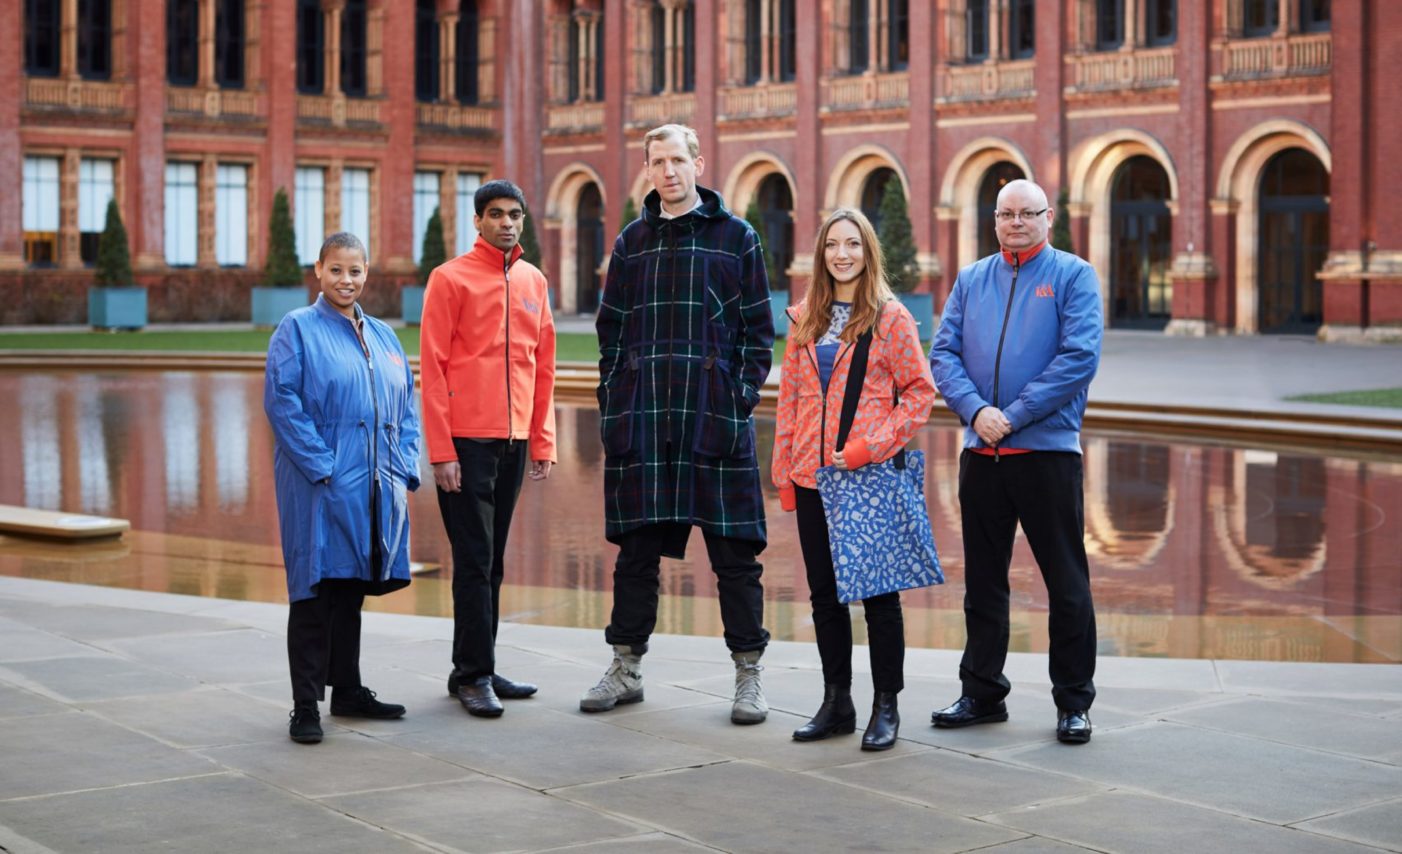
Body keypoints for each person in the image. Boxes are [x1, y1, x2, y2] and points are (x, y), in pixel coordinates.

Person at [583, 123, 775, 725]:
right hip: (644, 417)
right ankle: (626, 668)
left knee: (735, 559)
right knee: (635, 555)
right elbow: (610, 332)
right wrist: (615, 397)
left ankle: (749, 674)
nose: (668, 171)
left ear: (698, 164)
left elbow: (758, 334)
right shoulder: (631, 242)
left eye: (677, 160)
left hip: (713, 415)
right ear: (647, 169)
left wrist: (738, 397)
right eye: (657, 162)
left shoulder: (737, 238)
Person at [927, 179, 1102, 745]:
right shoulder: (972, 278)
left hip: (1047, 455)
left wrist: (1014, 414)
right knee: (983, 583)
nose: (1017, 222)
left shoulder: (1073, 275)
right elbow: (943, 353)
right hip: (983, 454)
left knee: (1066, 583)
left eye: (1028, 213)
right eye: (1007, 214)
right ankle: (981, 692)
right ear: (995, 220)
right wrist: (977, 411)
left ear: (1048, 218)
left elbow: (1079, 358)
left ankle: (1073, 702)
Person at [772, 209, 936, 751]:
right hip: (811, 477)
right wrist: (784, 471)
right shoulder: (804, 318)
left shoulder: (891, 317)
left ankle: (886, 705)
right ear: (820, 254)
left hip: (867, 479)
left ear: (868, 252)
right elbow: (790, 398)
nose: (841, 255)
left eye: (852, 245)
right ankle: (836, 701)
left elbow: (919, 394)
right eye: (832, 245)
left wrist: (871, 446)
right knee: (825, 597)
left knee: (879, 597)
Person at [264, 232, 421, 745]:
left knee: (351, 587)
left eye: (355, 271)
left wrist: (404, 467)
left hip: (373, 484)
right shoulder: (297, 329)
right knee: (314, 590)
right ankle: (305, 705)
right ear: (318, 270)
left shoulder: (384, 336)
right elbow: (282, 402)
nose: (345, 280)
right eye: (336, 270)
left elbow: (407, 408)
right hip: (319, 484)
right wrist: (322, 466)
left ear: (367, 273)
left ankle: (348, 690)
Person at [420, 180, 557, 718]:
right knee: (474, 561)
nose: (506, 223)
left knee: (493, 560)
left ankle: (478, 665)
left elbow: (542, 367)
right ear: (477, 221)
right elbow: (433, 368)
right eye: (495, 214)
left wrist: (542, 438)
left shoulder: (533, 280)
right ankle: (473, 675)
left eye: (514, 214)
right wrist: (441, 451)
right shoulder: (449, 278)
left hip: (514, 442)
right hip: (466, 443)